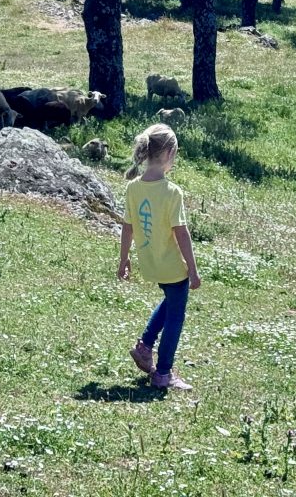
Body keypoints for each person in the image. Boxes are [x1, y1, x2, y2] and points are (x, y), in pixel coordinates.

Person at [117, 124, 201, 391]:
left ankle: (144, 347)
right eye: (174, 155)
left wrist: (123, 260)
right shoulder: (171, 192)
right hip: (172, 266)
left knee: (171, 300)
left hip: (151, 264)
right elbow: (181, 233)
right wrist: (193, 267)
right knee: (176, 317)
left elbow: (128, 226)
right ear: (167, 154)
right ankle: (163, 374)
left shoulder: (133, 188)